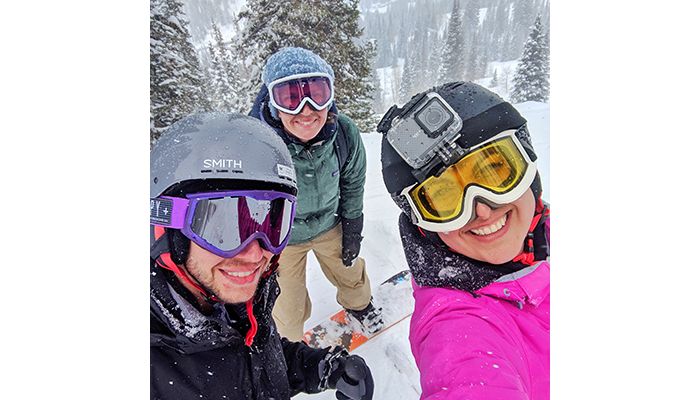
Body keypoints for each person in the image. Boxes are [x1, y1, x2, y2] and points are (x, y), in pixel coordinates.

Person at [150, 113, 374, 400]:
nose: (255, 252)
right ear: (167, 225)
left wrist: (318, 368)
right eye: (222, 228)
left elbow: (252, 361)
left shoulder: (236, 309)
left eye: (272, 222)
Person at [378, 82, 550, 399]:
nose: (482, 209)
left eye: (494, 172)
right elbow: (468, 377)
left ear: (526, 163)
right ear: (425, 225)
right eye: (445, 198)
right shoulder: (459, 329)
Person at [249, 47, 383, 341]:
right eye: (291, 98)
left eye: (317, 94)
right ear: (273, 104)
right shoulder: (259, 145)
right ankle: (289, 342)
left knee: (350, 273)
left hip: (329, 225)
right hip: (282, 239)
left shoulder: (344, 134)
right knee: (286, 303)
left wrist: (352, 223)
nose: (306, 110)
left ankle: (360, 307)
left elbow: (352, 181)